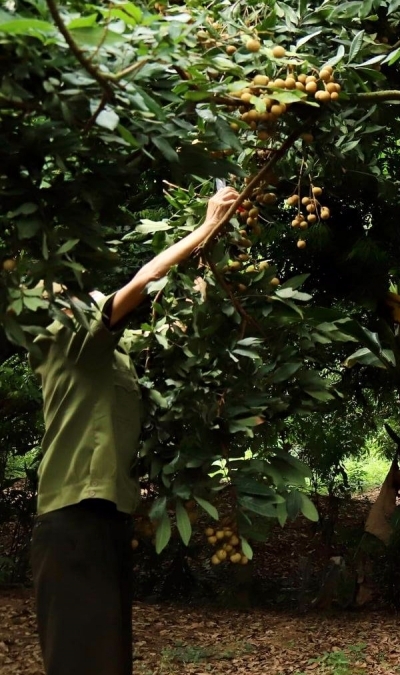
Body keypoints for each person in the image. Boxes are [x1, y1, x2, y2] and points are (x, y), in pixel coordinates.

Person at [28, 186, 239, 675]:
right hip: (71, 523)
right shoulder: (64, 340)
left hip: (105, 518)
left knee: (108, 661)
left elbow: (174, 329)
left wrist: (207, 265)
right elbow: (143, 281)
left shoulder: (110, 356)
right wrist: (205, 226)